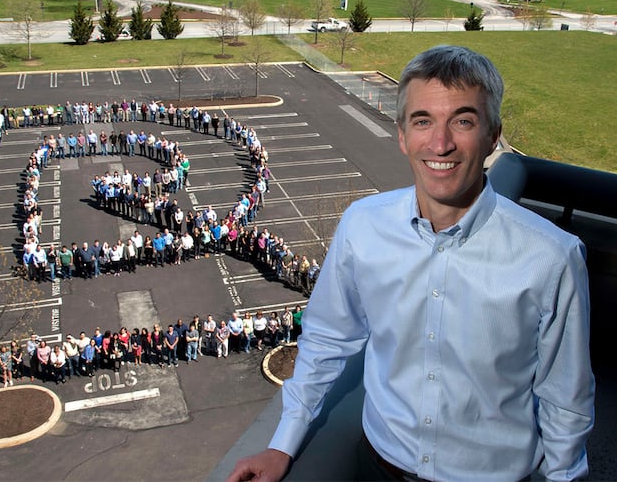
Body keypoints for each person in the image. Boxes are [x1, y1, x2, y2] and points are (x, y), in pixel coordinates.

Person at [228, 46, 595, 482]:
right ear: (401, 134)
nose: (440, 143)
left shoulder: (552, 256)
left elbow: (565, 397)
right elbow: (326, 340)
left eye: (463, 120)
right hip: (377, 468)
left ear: (493, 134)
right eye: (423, 121)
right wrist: (282, 443)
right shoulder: (362, 226)